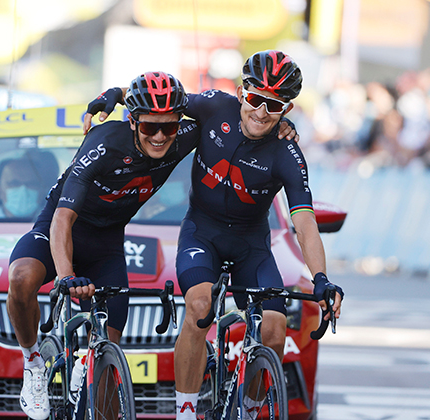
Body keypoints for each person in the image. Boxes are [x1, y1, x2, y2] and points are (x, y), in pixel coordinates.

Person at [83, 50, 344, 420]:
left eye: (274, 105)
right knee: (201, 306)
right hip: (201, 233)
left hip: (251, 244)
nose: (261, 112)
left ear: (287, 108)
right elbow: (161, 102)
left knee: (274, 326)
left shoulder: (288, 154)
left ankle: (251, 409)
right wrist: (115, 93)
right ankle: (187, 410)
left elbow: (304, 222)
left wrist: (321, 278)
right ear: (241, 92)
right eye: (255, 99)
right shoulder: (214, 107)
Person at [6, 71, 199, 420]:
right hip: (62, 229)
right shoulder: (104, 142)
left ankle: (88, 369)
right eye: (148, 127)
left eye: (168, 127)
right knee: (21, 277)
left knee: (108, 363)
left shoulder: (184, 136)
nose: (159, 137)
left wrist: (284, 129)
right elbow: (63, 219)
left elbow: (240, 120)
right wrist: (66, 276)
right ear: (132, 122)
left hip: (107, 243)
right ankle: (33, 361)